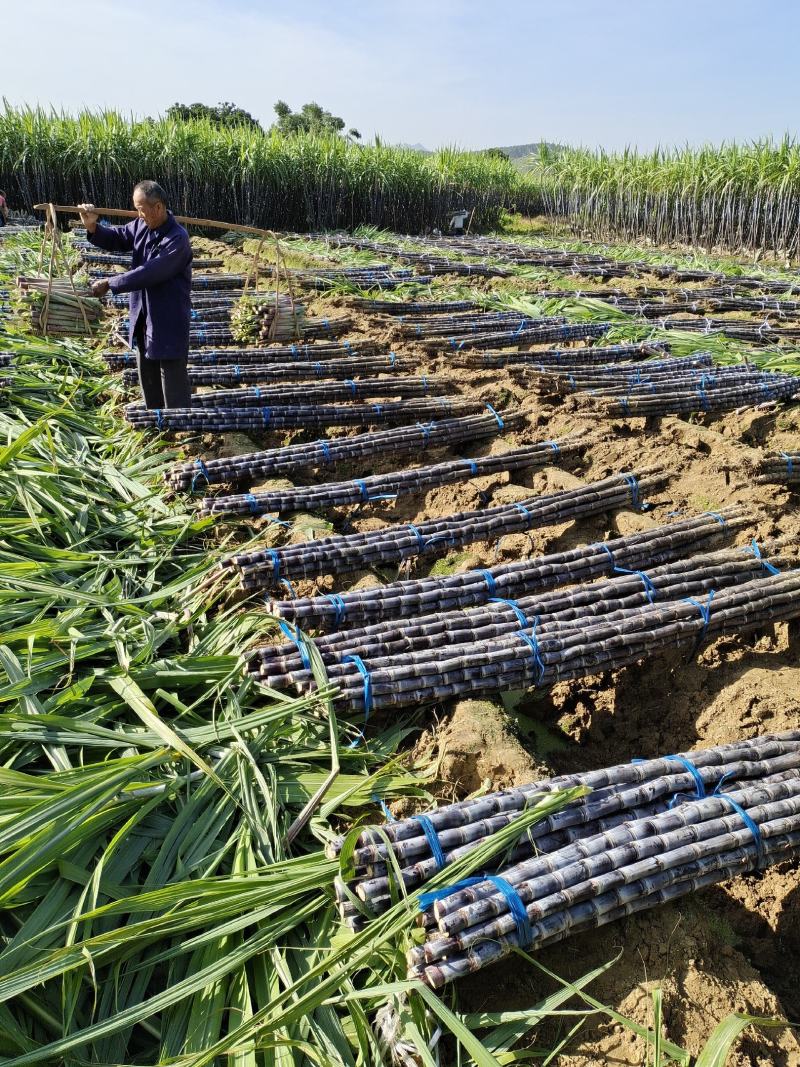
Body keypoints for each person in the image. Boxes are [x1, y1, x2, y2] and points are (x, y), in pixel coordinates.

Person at [78, 181, 193, 409]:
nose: (138, 214)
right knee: (147, 373)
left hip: (167, 317)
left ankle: (181, 431)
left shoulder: (178, 239)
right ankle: (156, 423)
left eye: (141, 208)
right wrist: (93, 227)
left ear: (158, 207)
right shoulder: (141, 225)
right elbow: (118, 237)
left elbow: (151, 272)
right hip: (142, 313)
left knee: (172, 379)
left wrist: (111, 283)